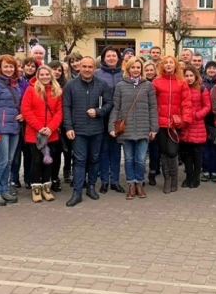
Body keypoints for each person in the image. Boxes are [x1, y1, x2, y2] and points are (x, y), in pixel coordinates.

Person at [63, 56, 112, 207]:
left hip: (97, 129)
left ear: (94, 68)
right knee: (79, 160)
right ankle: (77, 192)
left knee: (94, 159)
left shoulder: (102, 84)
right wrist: (69, 127)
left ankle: (91, 187)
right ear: (80, 67)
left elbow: (110, 103)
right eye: (84, 66)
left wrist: (98, 111)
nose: (87, 69)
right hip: (78, 131)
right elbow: (66, 107)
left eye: (90, 67)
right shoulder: (70, 85)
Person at [109, 56, 158, 199]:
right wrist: (112, 126)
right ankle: (131, 184)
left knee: (141, 159)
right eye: (133, 67)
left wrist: (153, 128)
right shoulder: (120, 86)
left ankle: (139, 183)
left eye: (138, 67)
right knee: (129, 159)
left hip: (143, 129)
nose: (135, 70)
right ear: (128, 69)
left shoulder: (148, 85)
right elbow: (116, 107)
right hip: (127, 129)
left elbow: (153, 107)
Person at [21, 65, 63, 203]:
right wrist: (39, 127)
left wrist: (51, 127)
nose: (45, 77)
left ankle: (47, 187)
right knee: (37, 161)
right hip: (34, 133)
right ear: (38, 76)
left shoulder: (57, 91)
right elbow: (26, 111)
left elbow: (59, 112)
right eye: (42, 75)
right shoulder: (30, 90)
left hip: (51, 134)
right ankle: (36, 188)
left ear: (51, 75)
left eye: (47, 74)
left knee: (48, 161)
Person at [0, 55, 23, 206]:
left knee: (9, 161)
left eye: (11, 66)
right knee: (2, 160)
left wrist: (21, 114)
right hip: (0, 128)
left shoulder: (14, 84)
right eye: (5, 66)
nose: (8, 69)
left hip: (14, 127)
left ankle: (3, 188)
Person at [153, 56, 193, 194]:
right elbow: (153, 103)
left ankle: (174, 177)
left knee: (172, 151)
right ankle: (167, 179)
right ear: (162, 66)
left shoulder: (182, 82)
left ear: (176, 66)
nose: (169, 65)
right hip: (161, 123)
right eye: (166, 63)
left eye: (171, 63)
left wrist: (184, 120)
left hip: (175, 124)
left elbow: (187, 103)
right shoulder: (157, 82)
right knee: (163, 152)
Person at [95, 46, 124, 194]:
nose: (111, 58)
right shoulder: (96, 74)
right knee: (103, 150)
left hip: (119, 118)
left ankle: (115, 181)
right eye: (108, 56)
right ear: (103, 58)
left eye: (114, 56)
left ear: (118, 58)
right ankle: (104, 181)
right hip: (102, 117)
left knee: (116, 150)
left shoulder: (124, 74)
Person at [180, 65, 211, 188]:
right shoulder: (182, 89)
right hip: (185, 125)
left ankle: (196, 177)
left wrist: (197, 115)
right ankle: (188, 176)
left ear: (195, 76)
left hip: (197, 125)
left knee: (197, 153)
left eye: (191, 75)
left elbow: (207, 106)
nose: (189, 78)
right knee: (186, 153)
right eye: (186, 76)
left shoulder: (202, 89)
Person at [11, 58, 37, 191]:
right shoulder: (10, 83)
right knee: (15, 155)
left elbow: (30, 103)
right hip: (13, 123)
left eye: (33, 66)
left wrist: (25, 114)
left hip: (27, 124)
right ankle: (13, 179)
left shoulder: (28, 84)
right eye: (20, 66)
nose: (22, 69)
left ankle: (28, 178)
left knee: (28, 154)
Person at [48, 60, 70, 192]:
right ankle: (45, 179)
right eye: (54, 69)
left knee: (57, 154)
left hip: (61, 125)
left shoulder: (66, 86)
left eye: (59, 70)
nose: (56, 72)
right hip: (45, 125)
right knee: (45, 154)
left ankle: (55, 178)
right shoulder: (42, 85)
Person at [201, 61, 216, 183]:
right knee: (205, 146)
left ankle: (215, 170)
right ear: (206, 70)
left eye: (214, 68)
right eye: (209, 68)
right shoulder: (201, 83)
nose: (212, 70)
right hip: (204, 119)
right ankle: (205, 170)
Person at [144, 61, 161, 185]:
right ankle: (140, 174)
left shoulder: (158, 83)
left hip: (156, 118)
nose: (149, 72)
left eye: (151, 70)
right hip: (142, 119)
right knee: (143, 151)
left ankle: (153, 173)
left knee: (155, 149)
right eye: (147, 70)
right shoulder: (139, 83)